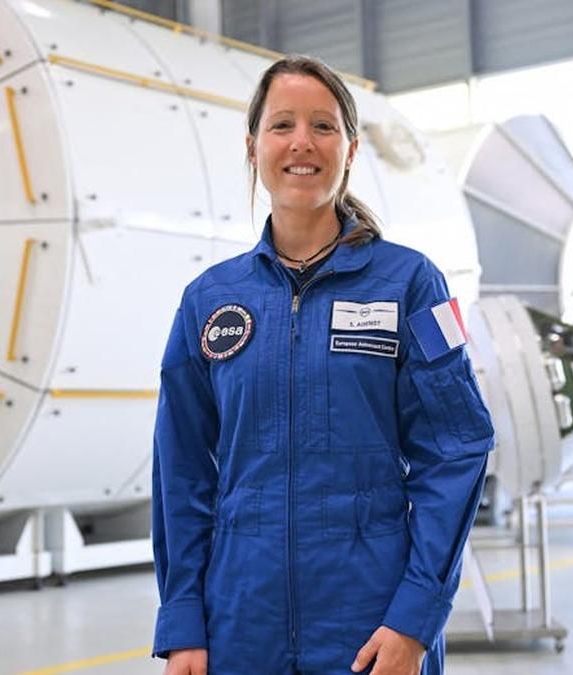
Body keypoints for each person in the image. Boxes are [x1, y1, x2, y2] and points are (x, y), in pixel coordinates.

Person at [151, 55, 494, 675]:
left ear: (351, 149)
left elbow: (457, 449)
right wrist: (183, 624)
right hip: (239, 623)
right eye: (282, 125)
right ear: (253, 147)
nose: (301, 143)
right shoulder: (209, 300)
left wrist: (414, 620)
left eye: (323, 126)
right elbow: (181, 470)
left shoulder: (414, 285)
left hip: (372, 625)